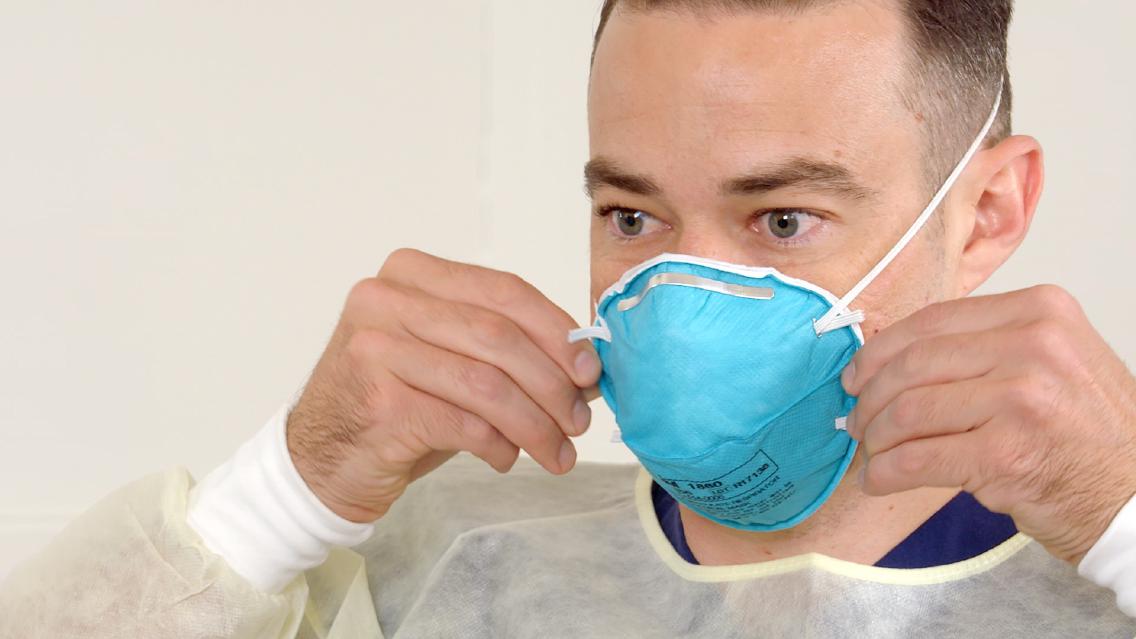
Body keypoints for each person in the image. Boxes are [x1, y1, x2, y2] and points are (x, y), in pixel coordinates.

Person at [4, 0, 1136, 636]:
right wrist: (286, 493)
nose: (684, 297)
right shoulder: (446, 556)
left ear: (985, 213)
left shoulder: (1096, 579)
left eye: (783, 220)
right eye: (633, 215)